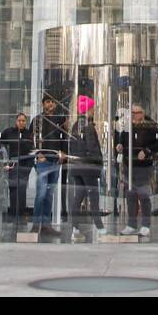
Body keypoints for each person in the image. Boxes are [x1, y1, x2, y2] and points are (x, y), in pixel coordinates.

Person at [114, 104, 158, 237]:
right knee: (130, 195)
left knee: (143, 195)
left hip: (144, 167)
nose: (133, 115)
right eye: (131, 113)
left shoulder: (149, 126)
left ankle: (145, 225)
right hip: (129, 165)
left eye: (136, 112)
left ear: (141, 113)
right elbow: (121, 142)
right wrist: (120, 146)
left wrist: (147, 151)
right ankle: (131, 225)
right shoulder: (126, 127)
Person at [66, 96, 105, 241]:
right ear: (88, 109)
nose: (93, 111)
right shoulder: (88, 126)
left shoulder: (76, 125)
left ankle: (75, 228)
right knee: (93, 197)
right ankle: (100, 227)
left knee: (78, 197)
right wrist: (98, 163)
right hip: (88, 166)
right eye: (92, 108)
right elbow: (92, 147)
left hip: (76, 167)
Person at [31, 95, 68, 233]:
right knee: (40, 194)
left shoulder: (60, 120)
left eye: (53, 101)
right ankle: (36, 225)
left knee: (49, 194)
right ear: (43, 104)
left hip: (55, 161)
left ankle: (46, 225)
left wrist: (63, 153)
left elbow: (64, 138)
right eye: (48, 102)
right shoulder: (37, 120)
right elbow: (32, 139)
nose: (51, 104)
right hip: (43, 161)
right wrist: (38, 154)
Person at [0, 112, 34, 219]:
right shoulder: (8, 132)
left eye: (23, 121)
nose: (21, 123)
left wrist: (30, 166)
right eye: (19, 120)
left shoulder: (28, 133)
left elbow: (32, 149)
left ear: (26, 122)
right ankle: (13, 213)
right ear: (15, 121)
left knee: (22, 189)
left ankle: (21, 213)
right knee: (13, 188)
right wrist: (3, 157)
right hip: (12, 165)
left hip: (25, 165)